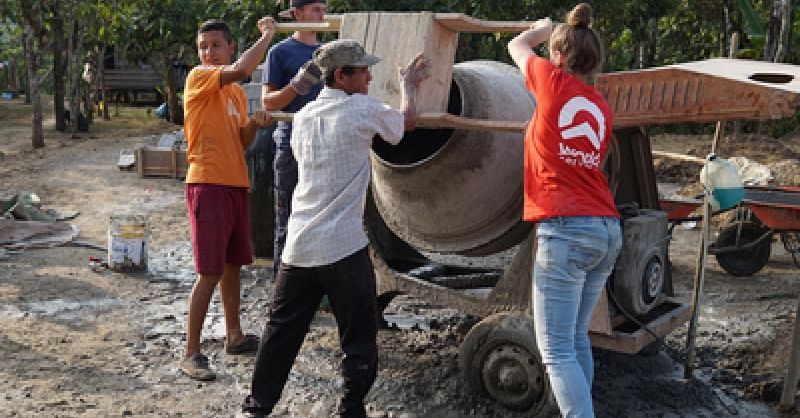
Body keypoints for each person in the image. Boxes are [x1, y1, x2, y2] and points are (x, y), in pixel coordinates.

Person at [240, 40, 430, 418]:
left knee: (280, 333)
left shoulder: (305, 117)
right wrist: (409, 87)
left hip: (300, 245)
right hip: (343, 247)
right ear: (340, 76)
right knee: (358, 335)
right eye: (362, 71)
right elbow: (404, 124)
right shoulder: (361, 108)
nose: (370, 76)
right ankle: (351, 408)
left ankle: (257, 408)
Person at [507, 4, 621, 418]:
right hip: (606, 229)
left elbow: (515, 45)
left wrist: (541, 29)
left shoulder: (551, 81)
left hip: (567, 231)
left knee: (554, 351)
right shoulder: (600, 107)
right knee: (574, 340)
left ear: (558, 57)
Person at [180, 17, 276, 381]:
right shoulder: (198, 77)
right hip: (207, 183)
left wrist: (255, 124)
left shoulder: (234, 93)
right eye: (203, 46)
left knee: (233, 265)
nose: (208, 52)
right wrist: (268, 36)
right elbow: (245, 68)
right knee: (209, 271)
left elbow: (242, 142)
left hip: (235, 184)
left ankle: (233, 336)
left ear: (229, 47)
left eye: (215, 46)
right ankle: (191, 351)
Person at [262, 0, 327, 275]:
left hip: (326, 143)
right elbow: (268, 102)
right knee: (288, 215)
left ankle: (318, 287)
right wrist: (296, 87)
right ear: (297, 14)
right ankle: (283, 287)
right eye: (315, 9)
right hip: (291, 143)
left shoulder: (329, 54)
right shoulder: (280, 52)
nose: (322, 15)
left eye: (324, 9)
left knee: (323, 216)